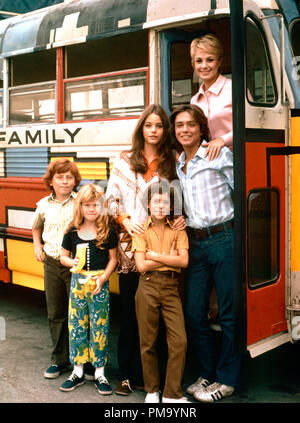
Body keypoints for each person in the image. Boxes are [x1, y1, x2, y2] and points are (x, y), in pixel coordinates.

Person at [106, 104, 184, 396]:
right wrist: (124, 219)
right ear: (142, 129)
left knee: (159, 316)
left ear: (165, 131)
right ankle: (127, 375)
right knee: (130, 314)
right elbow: (111, 199)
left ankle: (154, 378)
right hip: (129, 249)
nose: (154, 130)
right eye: (149, 125)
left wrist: (179, 216)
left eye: (159, 126)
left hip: (160, 249)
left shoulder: (171, 161)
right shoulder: (125, 160)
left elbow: (177, 200)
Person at [170, 104, 241, 402]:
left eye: (191, 124)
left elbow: (243, 185)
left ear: (201, 128)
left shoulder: (218, 155)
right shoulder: (178, 165)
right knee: (194, 312)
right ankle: (208, 374)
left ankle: (227, 379)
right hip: (195, 243)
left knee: (228, 313)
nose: (185, 129)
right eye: (179, 125)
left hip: (224, 238)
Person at [133, 181, 190, 403]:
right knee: (148, 341)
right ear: (148, 204)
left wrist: (154, 256)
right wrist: (170, 257)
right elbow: (141, 266)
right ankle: (152, 390)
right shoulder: (140, 229)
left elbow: (183, 261)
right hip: (147, 285)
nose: (160, 205)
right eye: (156, 201)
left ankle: (171, 394)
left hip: (170, 287)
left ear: (170, 206)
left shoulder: (178, 229)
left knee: (179, 341)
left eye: (165, 202)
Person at [59, 183, 117, 394]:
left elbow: (113, 259)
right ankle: (78, 371)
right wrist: (71, 263)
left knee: (99, 327)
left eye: (96, 205)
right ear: (80, 207)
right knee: (77, 325)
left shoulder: (107, 231)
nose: (92, 209)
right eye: (87, 205)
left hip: (99, 284)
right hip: (78, 283)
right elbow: (63, 256)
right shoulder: (72, 231)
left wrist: (103, 278)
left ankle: (100, 372)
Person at [32, 159, 81, 379]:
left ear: (75, 181)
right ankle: (59, 360)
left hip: (75, 264)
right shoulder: (43, 204)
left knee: (79, 313)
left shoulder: (80, 202)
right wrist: (37, 245)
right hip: (52, 263)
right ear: (51, 181)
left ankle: (83, 362)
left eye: (69, 177)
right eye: (59, 177)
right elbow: (36, 227)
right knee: (56, 312)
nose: (64, 181)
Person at [190, 33, 232, 161]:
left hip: (235, 161)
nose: (204, 66)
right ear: (193, 64)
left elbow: (250, 126)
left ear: (219, 62)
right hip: (207, 164)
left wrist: (222, 140)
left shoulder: (234, 89)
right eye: (199, 61)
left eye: (210, 59)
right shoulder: (194, 101)